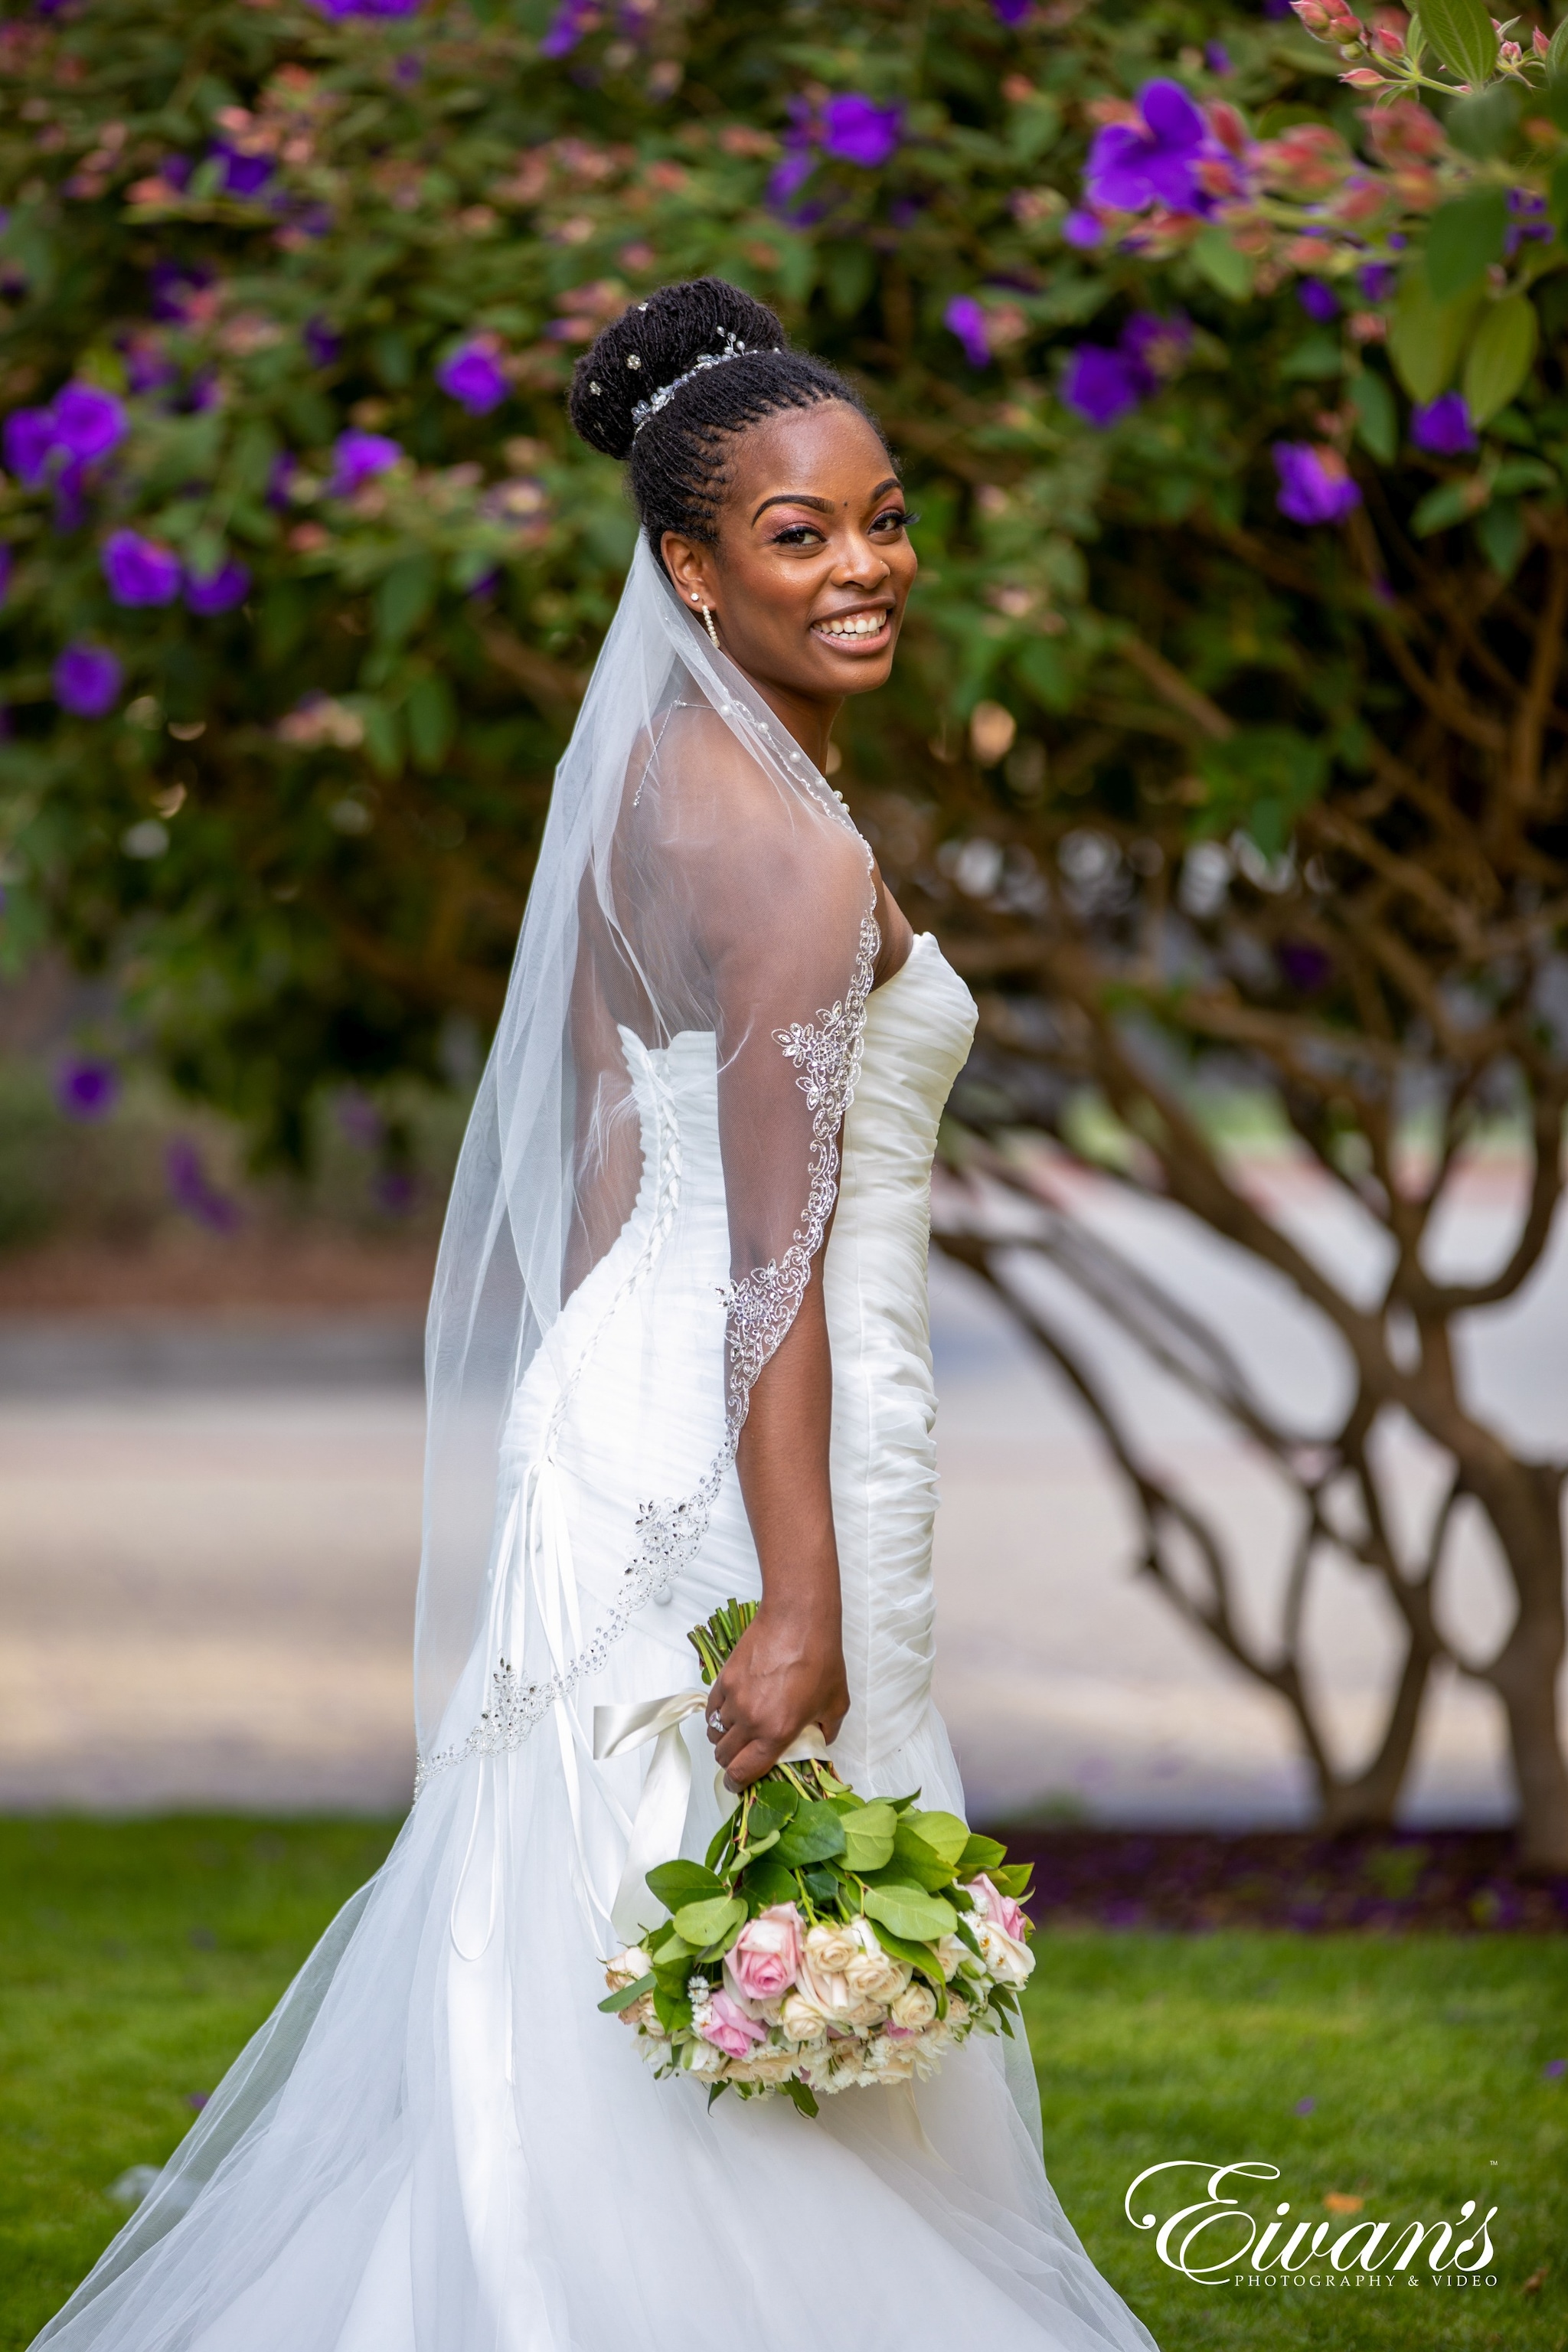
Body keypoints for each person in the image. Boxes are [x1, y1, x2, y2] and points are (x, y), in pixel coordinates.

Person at [34, 279, 1158, 2352]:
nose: (866, 566)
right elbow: (772, 1254)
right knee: (745, 1868)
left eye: (884, 517)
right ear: (690, 569)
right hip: (756, 1417)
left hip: (627, 1401)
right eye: (800, 536)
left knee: (601, 1896)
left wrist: (594, 1420)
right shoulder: (797, 862)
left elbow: (610, 1144)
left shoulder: (654, 777)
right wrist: (798, 1590)